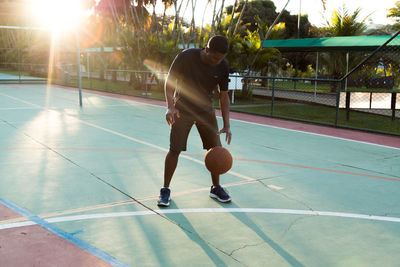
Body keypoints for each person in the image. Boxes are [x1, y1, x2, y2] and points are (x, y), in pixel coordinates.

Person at [157, 35, 232, 207]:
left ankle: (216, 187)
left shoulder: (222, 66)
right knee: (174, 150)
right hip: (182, 110)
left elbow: (223, 96)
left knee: (216, 150)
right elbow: (169, 82)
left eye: (220, 59)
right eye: (214, 57)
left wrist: (227, 124)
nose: (217, 62)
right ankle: (165, 189)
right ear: (206, 50)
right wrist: (170, 107)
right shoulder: (186, 57)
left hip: (206, 111)